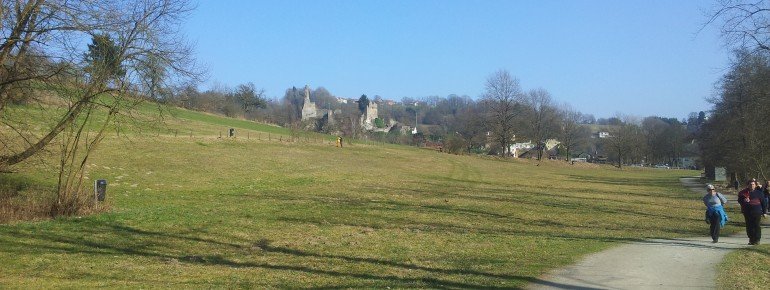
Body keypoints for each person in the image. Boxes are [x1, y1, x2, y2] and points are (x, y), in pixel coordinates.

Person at [737, 179, 768, 245]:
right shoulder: (743, 192)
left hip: (757, 211)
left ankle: (757, 240)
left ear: (755, 185)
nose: (752, 185)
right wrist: (744, 200)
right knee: (749, 226)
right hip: (747, 211)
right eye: (750, 184)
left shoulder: (759, 193)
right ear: (748, 185)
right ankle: (751, 239)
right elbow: (739, 200)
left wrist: (764, 212)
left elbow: (763, 203)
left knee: (756, 225)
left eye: (753, 184)